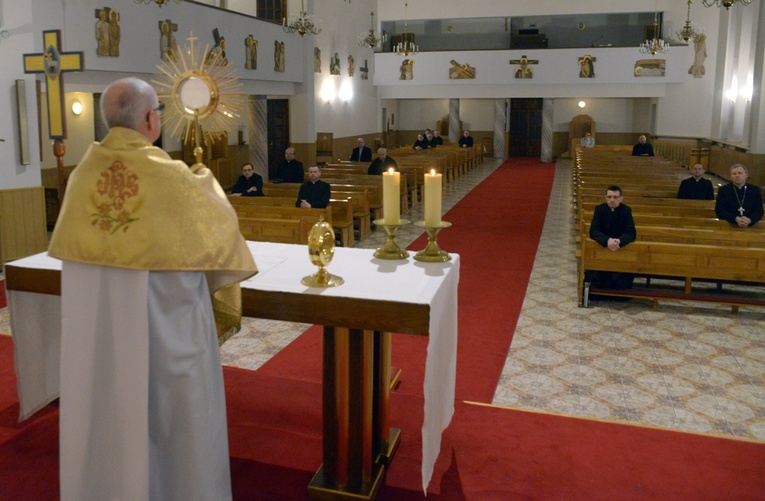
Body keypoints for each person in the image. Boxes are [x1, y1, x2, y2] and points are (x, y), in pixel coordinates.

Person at [47, 77, 258, 500]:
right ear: (149, 119)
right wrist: (206, 182)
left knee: (106, 407)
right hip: (164, 343)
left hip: (100, 343)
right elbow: (220, 232)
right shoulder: (173, 177)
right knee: (168, 416)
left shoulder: (82, 176)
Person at [588, 185, 636, 290]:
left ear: (621, 198)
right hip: (602, 249)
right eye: (609, 197)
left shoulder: (626, 210)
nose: (612, 200)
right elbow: (593, 231)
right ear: (605, 198)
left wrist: (619, 241)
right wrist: (607, 240)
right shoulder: (600, 209)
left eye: (615, 197)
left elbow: (631, 232)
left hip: (621, 249)